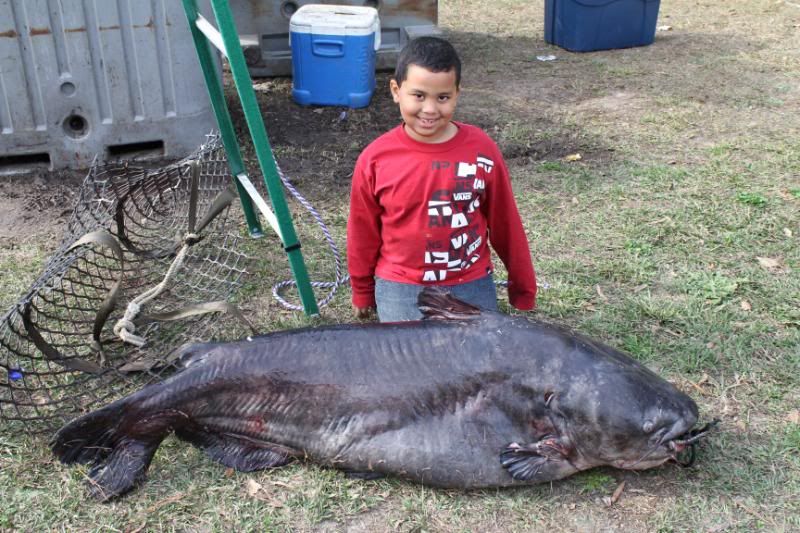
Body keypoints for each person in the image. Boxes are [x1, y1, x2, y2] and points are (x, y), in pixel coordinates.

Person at [346, 36, 536, 322]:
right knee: (409, 363)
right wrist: (362, 290)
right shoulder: (375, 159)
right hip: (401, 283)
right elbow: (362, 233)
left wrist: (523, 288)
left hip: (469, 279)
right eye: (419, 95)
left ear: (457, 93)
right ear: (397, 91)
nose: (430, 109)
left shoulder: (481, 150)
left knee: (478, 361)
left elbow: (505, 222)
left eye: (443, 97)